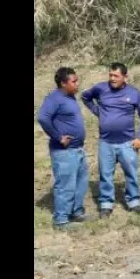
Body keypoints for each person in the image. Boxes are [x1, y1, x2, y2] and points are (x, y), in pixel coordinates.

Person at [81, 62, 140, 218]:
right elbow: (85, 97)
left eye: (116, 76)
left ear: (125, 77)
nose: (112, 78)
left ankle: (134, 202)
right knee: (106, 175)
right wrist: (97, 111)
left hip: (128, 143)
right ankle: (106, 204)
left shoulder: (134, 93)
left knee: (131, 174)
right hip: (106, 142)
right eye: (110, 75)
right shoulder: (100, 88)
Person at [37, 67, 90, 230]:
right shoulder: (54, 98)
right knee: (65, 185)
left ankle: (76, 212)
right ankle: (61, 220)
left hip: (78, 149)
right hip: (64, 152)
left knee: (80, 183)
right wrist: (59, 137)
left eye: (77, 80)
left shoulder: (70, 97)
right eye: (74, 81)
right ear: (63, 83)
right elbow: (42, 117)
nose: (77, 83)